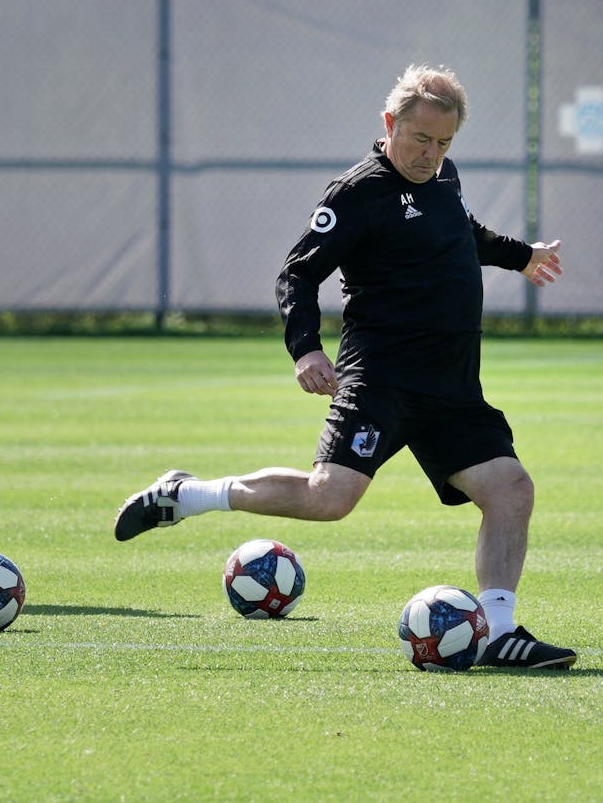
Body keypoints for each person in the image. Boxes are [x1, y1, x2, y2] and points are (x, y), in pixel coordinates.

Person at [114, 64, 577, 669]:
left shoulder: (442, 177)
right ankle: (188, 494)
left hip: (452, 386)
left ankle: (497, 631)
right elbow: (297, 272)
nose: (431, 155)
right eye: (420, 140)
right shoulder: (356, 194)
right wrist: (306, 348)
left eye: (444, 144)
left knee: (511, 489)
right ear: (389, 124)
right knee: (329, 499)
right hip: (382, 380)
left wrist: (521, 256)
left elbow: (460, 231)